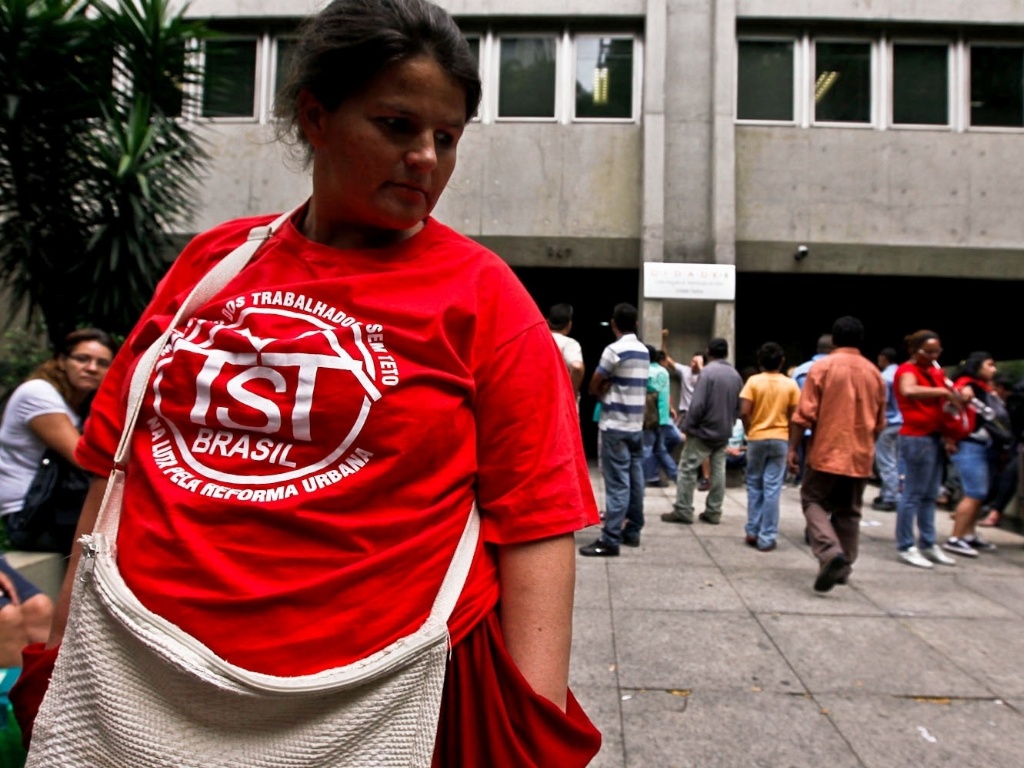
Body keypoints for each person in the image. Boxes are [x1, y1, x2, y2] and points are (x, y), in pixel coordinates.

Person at [15, 2, 601, 764]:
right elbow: (118, 460)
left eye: (447, 138)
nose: (426, 156)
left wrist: (529, 730)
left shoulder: (486, 299)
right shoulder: (211, 265)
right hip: (136, 679)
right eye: (397, 125)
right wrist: (68, 647)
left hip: (367, 701)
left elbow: (537, 525)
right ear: (315, 117)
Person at [786, 317, 886, 592]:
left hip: (827, 450)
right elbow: (879, 423)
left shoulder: (823, 368)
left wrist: (793, 448)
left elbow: (803, 415)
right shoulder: (874, 373)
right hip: (860, 454)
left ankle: (829, 552)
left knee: (812, 499)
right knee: (849, 511)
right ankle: (844, 566)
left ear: (835, 341)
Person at [0, 328, 116, 555]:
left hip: (59, 513)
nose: (92, 368)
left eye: (102, 363)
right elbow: (84, 459)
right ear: (61, 361)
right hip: (28, 517)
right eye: (82, 359)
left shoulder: (80, 404)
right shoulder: (37, 393)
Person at [893, 330, 970, 569]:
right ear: (916, 351)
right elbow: (908, 390)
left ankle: (927, 542)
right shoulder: (908, 371)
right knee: (913, 494)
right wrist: (942, 391)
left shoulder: (933, 372)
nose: (935, 355)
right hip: (917, 437)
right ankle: (906, 545)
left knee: (929, 495)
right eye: (930, 351)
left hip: (934, 436)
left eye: (937, 351)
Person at [579, 303, 649, 556]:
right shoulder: (643, 350)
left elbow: (595, 382)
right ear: (637, 324)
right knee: (635, 479)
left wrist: (600, 389)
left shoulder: (614, 350)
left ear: (614, 323)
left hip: (615, 424)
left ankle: (610, 538)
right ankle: (632, 530)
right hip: (635, 425)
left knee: (617, 482)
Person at [662, 337, 742, 526]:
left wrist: (689, 426)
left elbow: (697, 405)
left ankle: (683, 509)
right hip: (724, 430)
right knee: (718, 470)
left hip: (704, 431)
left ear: (708, 352)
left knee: (687, 468)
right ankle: (713, 511)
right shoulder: (735, 375)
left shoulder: (707, 374)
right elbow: (739, 406)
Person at [740, 342, 800, 552]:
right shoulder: (791, 385)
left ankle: (752, 530)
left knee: (754, 484)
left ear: (760, 362)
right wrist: (792, 442)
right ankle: (767, 536)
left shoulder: (753, 382)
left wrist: (750, 431)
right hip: (780, 438)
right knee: (772, 487)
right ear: (782, 361)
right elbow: (794, 416)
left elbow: (745, 411)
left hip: (757, 436)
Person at [944, 352, 1002, 557]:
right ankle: (956, 537)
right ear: (977, 366)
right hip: (969, 444)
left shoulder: (981, 388)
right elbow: (952, 411)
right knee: (975, 492)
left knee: (979, 493)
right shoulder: (967, 386)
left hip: (980, 444)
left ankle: (968, 534)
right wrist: (951, 438)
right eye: (989, 364)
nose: (993, 369)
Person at [788, 333, 834, 484]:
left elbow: (793, 400)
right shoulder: (836, 369)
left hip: (803, 425)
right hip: (829, 427)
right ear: (833, 349)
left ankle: (803, 481)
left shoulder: (799, 370)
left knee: (805, 461)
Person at [643, 346, 681, 487]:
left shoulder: (646, 371)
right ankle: (677, 476)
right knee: (660, 449)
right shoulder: (663, 371)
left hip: (650, 417)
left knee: (646, 448)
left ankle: (641, 480)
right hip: (663, 417)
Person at [872, 347, 903, 512]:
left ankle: (891, 497)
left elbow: (882, 403)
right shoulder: (902, 374)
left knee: (885, 461)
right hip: (903, 422)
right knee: (895, 461)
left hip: (889, 422)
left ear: (884, 358)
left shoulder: (884, 378)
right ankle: (888, 492)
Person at [547, 303, 584, 407]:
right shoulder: (569, 344)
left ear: (547, 321)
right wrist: (570, 394)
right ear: (569, 324)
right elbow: (577, 367)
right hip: (561, 407)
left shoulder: (536, 340)